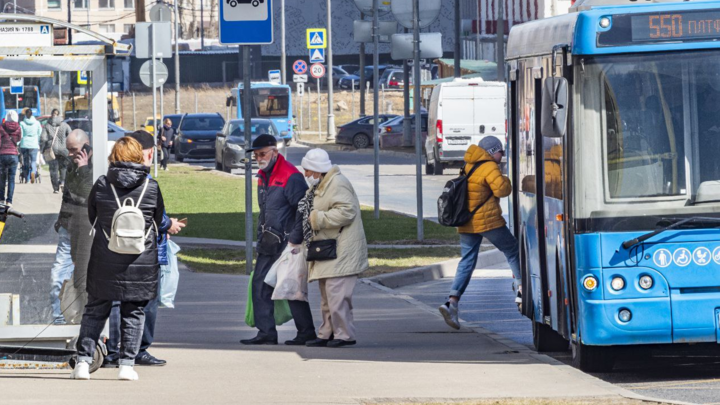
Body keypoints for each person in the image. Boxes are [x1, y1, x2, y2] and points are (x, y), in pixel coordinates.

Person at [71, 136, 165, 381]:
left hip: (105, 258)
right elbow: (157, 220)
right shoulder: (151, 187)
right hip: (140, 261)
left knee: (95, 310)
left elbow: (93, 217)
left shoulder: (102, 184)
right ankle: (127, 365)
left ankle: (83, 363)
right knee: (133, 312)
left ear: (114, 157)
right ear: (137, 155)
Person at [103, 130, 185, 368]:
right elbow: (157, 217)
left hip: (114, 248)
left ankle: (113, 351)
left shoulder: (106, 181)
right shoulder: (148, 183)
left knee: (117, 301)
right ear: (147, 153)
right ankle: (138, 349)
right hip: (145, 252)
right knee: (145, 301)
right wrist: (170, 225)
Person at [240, 134, 316, 346]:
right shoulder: (264, 175)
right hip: (269, 242)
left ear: (275, 151)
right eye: (256, 155)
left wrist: (295, 239)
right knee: (262, 285)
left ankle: (304, 332)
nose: (259, 158)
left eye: (263, 153)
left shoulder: (290, 176)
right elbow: (266, 211)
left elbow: (303, 210)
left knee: (289, 287)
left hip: (287, 242)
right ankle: (268, 332)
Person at [438, 137, 520, 330]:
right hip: (487, 221)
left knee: (467, 261)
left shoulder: (468, 164)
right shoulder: (490, 166)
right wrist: (507, 179)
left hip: (467, 221)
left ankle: (452, 302)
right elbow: (502, 190)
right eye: (500, 151)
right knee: (512, 250)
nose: (502, 155)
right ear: (492, 151)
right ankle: (522, 289)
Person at [299, 149, 368, 348]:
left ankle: (344, 334)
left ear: (318, 170)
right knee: (328, 296)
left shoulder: (337, 183)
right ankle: (326, 333)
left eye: (308, 171)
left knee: (337, 296)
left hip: (341, 249)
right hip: (328, 248)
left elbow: (348, 212)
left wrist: (317, 219)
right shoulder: (321, 185)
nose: (306, 175)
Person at [60, 129, 95, 320]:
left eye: (74, 149)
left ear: (87, 145)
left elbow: (90, 194)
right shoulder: (72, 164)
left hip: (87, 228)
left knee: (81, 279)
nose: (71, 154)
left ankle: (84, 319)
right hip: (72, 226)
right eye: (68, 150)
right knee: (63, 278)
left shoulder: (92, 165)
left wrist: (83, 168)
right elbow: (68, 194)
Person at [41, 109, 72, 194]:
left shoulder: (47, 126)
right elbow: (70, 136)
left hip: (52, 150)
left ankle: (55, 188)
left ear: (51, 115)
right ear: (59, 115)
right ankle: (62, 182)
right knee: (63, 167)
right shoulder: (65, 125)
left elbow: (43, 138)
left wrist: (45, 145)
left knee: (53, 169)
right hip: (64, 150)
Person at [0, 111, 21, 206]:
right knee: (11, 179)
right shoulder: (18, 127)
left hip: (3, 155)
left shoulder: (2, 127)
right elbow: (19, 139)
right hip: (13, 155)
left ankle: (1, 199)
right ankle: (9, 201)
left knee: (2, 178)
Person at [19, 109, 42, 184]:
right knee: (33, 161)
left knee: (25, 161)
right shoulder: (37, 123)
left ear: (25, 114)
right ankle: (33, 171)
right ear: (32, 114)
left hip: (24, 144)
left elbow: (21, 134)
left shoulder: (22, 123)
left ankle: (27, 178)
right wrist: (37, 140)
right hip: (34, 144)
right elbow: (39, 133)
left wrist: (18, 143)